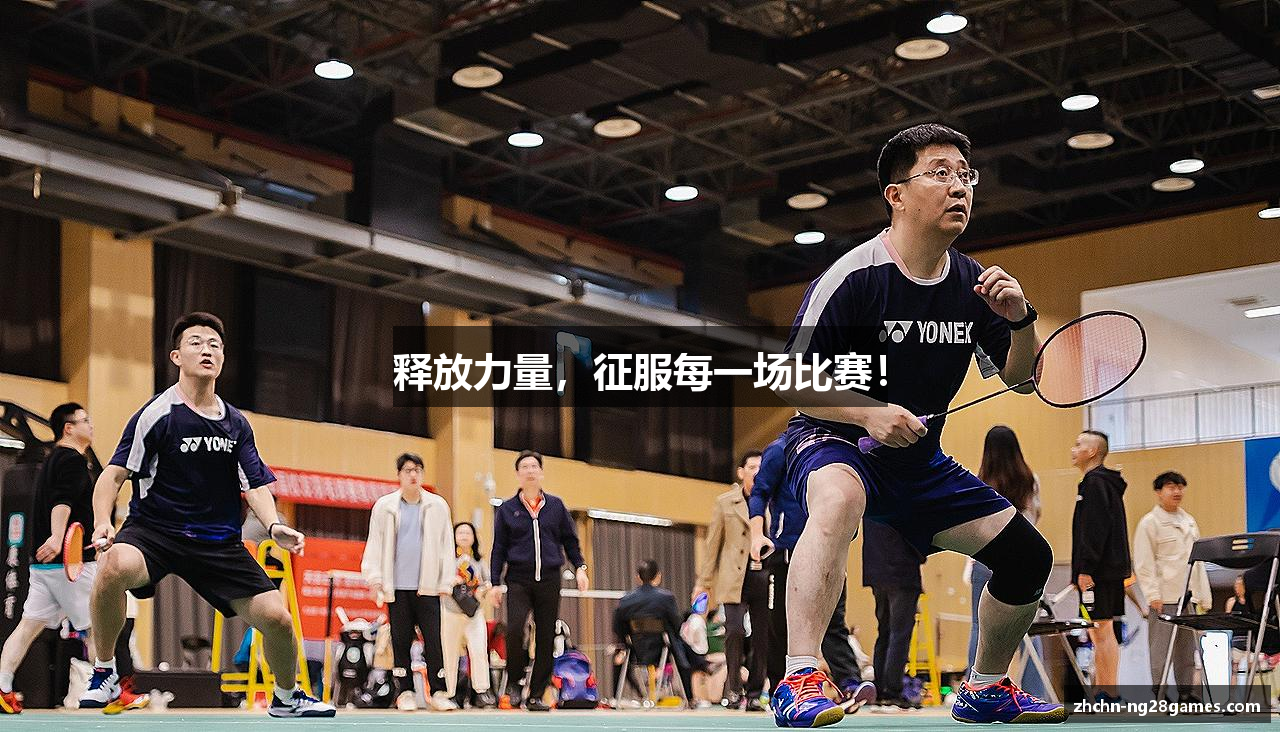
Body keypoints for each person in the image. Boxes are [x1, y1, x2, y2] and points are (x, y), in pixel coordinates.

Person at [769, 123, 1061, 727]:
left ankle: (986, 686)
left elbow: (1021, 381)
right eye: (940, 173)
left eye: (966, 175)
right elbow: (790, 378)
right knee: (839, 497)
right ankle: (800, 677)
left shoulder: (973, 285)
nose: (960, 187)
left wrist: (1021, 319)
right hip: (834, 440)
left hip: (918, 462)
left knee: (1028, 557)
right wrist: (867, 411)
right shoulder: (854, 276)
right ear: (896, 195)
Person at [80, 312, 334, 717]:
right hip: (155, 532)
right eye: (196, 342)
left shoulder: (236, 424)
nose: (207, 350)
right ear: (176, 356)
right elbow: (113, 475)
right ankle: (105, 671)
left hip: (218, 543)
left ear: (223, 358)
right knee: (113, 566)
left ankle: (287, 698)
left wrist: (274, 525)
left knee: (278, 619)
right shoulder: (156, 414)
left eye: (215, 344)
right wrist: (102, 522)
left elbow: (255, 484)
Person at [1, 404, 148, 714]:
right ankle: (110, 690)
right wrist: (58, 538)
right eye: (85, 420)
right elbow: (62, 501)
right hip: (71, 563)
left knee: (27, 628)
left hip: (44, 566)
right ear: (69, 428)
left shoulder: (51, 459)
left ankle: (2, 687)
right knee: (100, 625)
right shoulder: (72, 460)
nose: (91, 425)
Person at [748, 437, 876, 711]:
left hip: (829, 551)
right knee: (781, 625)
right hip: (787, 551)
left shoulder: (834, 447)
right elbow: (759, 492)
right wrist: (757, 535)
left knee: (833, 619)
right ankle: (781, 688)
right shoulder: (779, 450)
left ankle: (849, 684)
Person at [490, 450, 588, 711]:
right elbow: (498, 548)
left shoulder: (556, 506)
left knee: (546, 636)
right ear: (518, 474)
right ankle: (514, 682)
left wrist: (580, 567)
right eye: (525, 467)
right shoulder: (507, 509)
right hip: (518, 579)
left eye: (534, 466)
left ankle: (536, 693)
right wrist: (494, 582)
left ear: (541, 472)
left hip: (549, 578)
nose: (530, 471)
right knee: (514, 629)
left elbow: (570, 541)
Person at [360, 453, 457, 712]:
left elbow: (447, 545)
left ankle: (439, 692)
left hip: (428, 587)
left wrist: (446, 581)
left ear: (422, 474)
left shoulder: (438, 506)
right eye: (407, 470)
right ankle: (404, 692)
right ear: (399, 475)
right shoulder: (384, 506)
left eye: (417, 470)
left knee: (433, 641)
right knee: (400, 641)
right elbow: (375, 543)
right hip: (397, 587)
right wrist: (374, 578)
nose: (413, 475)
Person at [965, 425, 1046, 698]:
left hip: (985, 560)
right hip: (1023, 559)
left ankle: (975, 688)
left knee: (979, 626)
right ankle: (1035, 691)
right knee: (1025, 627)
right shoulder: (1030, 480)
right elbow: (1035, 518)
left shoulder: (978, 482)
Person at [694, 450, 769, 711]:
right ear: (741, 472)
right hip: (733, 577)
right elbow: (712, 545)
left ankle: (756, 692)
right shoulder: (725, 502)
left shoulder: (772, 501)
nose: (757, 472)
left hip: (764, 576)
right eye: (752, 467)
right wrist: (703, 583)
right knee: (734, 631)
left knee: (761, 636)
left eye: (761, 467)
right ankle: (734, 689)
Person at [1133, 471, 1211, 701]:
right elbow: (1143, 562)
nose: (1176, 491)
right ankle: (1160, 693)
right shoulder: (1149, 523)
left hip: (1188, 597)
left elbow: (1198, 564)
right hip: (1163, 598)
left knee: (1187, 649)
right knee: (1160, 649)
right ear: (1158, 492)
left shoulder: (1189, 521)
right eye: (1170, 487)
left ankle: (1186, 694)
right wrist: (1152, 595)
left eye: (1180, 487)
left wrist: (1203, 596)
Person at [1070, 429, 1131, 702]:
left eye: (1078, 444)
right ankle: (1103, 690)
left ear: (1093, 451)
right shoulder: (1099, 483)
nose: (1073, 449)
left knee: (1101, 630)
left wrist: (1086, 569)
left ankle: (1109, 691)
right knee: (1098, 631)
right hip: (1103, 571)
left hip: (1099, 573)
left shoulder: (1096, 482)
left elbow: (1095, 530)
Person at [613, 559, 696, 706]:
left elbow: (618, 627)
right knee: (681, 646)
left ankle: (616, 698)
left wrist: (626, 642)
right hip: (662, 651)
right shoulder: (666, 598)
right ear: (658, 576)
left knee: (620, 653)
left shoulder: (626, 600)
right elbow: (677, 624)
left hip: (636, 651)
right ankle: (690, 697)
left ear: (638, 577)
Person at [862, 518, 924, 709]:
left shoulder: (871, 501)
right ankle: (893, 691)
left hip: (876, 569)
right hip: (902, 568)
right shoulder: (903, 502)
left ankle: (881, 690)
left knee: (885, 632)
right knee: (900, 634)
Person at [442, 521, 496, 708]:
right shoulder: (447, 559)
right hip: (451, 612)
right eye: (460, 533)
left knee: (479, 650)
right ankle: (449, 692)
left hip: (474, 613)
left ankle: (481, 691)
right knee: (449, 653)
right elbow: (439, 581)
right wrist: (451, 582)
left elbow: (489, 581)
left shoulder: (479, 561)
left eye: (468, 533)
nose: (464, 536)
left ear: (474, 537)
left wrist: (483, 589)